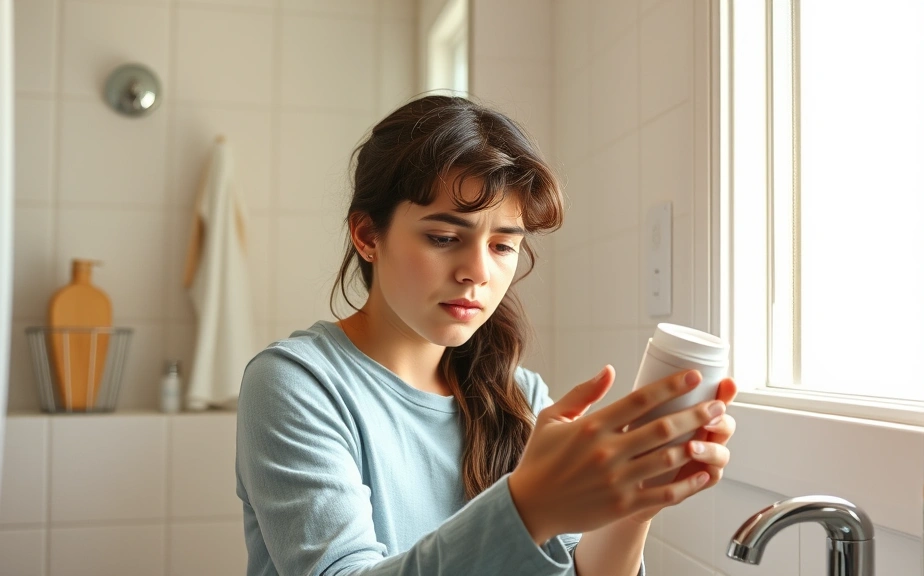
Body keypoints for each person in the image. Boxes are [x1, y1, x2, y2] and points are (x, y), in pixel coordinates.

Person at [235, 95, 738, 576]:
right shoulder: (296, 384)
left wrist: (634, 503)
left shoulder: (520, 397)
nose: (477, 272)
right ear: (368, 235)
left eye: (502, 246)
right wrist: (527, 509)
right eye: (443, 237)